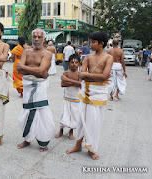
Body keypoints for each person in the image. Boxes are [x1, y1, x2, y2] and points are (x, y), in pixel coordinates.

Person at [66, 31, 113, 160]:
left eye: (93, 42)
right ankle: (78, 145)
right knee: (81, 120)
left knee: (94, 122)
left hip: (98, 94)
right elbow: (81, 74)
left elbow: (104, 76)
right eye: (90, 41)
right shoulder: (88, 57)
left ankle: (92, 149)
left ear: (101, 44)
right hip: (86, 92)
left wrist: (87, 76)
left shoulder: (108, 58)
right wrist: (88, 76)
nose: (90, 44)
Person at [16, 28, 55, 152]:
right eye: (34, 37)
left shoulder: (47, 54)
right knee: (26, 112)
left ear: (43, 39)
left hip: (40, 86)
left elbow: (41, 71)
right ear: (31, 38)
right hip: (27, 86)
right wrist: (36, 71)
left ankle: (43, 142)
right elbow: (19, 69)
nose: (36, 39)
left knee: (42, 113)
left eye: (39, 37)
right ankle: (27, 139)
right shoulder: (26, 52)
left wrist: (25, 67)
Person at [55, 54, 81, 140]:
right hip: (66, 97)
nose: (74, 64)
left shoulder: (80, 74)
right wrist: (74, 82)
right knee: (64, 114)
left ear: (79, 64)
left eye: (76, 62)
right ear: (69, 63)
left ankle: (71, 132)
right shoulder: (66, 73)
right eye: (72, 62)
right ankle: (61, 130)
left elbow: (80, 84)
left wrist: (67, 80)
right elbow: (63, 84)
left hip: (76, 98)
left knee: (74, 115)